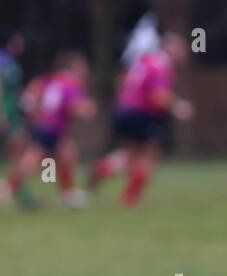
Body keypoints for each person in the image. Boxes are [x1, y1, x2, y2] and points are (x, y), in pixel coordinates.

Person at [88, 32, 194, 206]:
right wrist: (178, 107)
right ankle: (128, 199)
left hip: (123, 109)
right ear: (170, 50)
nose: (183, 55)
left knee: (131, 154)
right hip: (142, 114)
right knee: (149, 156)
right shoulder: (161, 66)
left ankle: (103, 168)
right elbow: (158, 97)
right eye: (181, 50)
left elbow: (121, 81)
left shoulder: (142, 61)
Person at [1, 52, 96, 209]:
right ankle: (8, 187)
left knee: (66, 154)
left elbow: (29, 100)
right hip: (53, 128)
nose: (84, 69)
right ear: (74, 67)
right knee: (32, 161)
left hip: (45, 126)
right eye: (82, 66)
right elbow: (75, 106)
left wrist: (35, 115)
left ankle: (68, 193)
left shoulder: (51, 79)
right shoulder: (71, 83)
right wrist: (88, 109)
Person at [0, 32, 37, 208]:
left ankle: (19, 193)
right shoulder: (4, 62)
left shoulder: (11, 62)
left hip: (12, 113)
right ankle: (15, 192)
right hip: (7, 114)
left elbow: (13, 91)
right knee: (20, 152)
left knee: (19, 152)